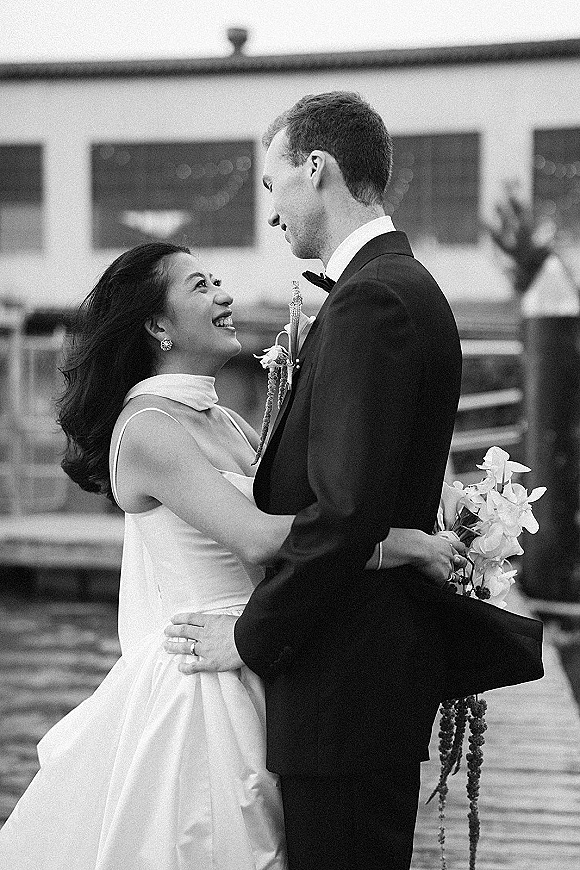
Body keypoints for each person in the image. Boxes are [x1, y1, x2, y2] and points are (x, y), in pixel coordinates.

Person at [164, 92, 543, 870]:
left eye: (272, 184)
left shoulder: (372, 299)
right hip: (364, 685)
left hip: (345, 687)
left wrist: (250, 635)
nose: (272, 210)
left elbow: (343, 512)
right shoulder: (397, 286)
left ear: (316, 167)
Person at [0, 241, 466, 869]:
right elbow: (260, 537)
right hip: (202, 683)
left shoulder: (223, 419)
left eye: (218, 280)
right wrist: (403, 545)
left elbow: (313, 516)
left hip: (263, 651)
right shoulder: (147, 429)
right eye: (200, 286)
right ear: (158, 325)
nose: (224, 295)